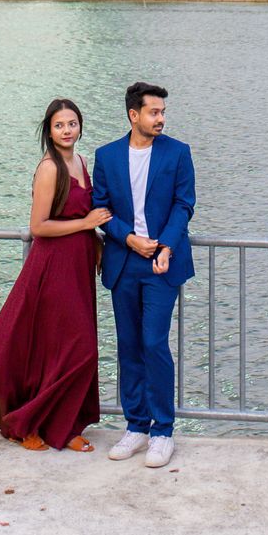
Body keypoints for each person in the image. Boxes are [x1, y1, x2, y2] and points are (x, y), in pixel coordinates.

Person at [0, 98, 110, 452]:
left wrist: (95, 240)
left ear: (80, 126)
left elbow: (82, 216)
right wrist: (86, 224)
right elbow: (39, 226)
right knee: (78, 349)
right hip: (53, 266)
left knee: (58, 349)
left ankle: (64, 427)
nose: (67, 130)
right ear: (49, 131)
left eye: (72, 124)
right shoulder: (50, 167)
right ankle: (23, 423)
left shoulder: (80, 161)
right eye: (59, 125)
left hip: (78, 265)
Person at [92, 81, 196, 469]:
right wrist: (130, 239)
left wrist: (165, 245)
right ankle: (135, 425)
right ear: (134, 115)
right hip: (124, 260)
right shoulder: (108, 156)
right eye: (154, 112)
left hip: (162, 263)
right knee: (128, 345)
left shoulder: (178, 153)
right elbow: (101, 208)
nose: (161, 119)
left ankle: (163, 431)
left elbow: (184, 204)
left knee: (154, 344)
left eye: (163, 112)